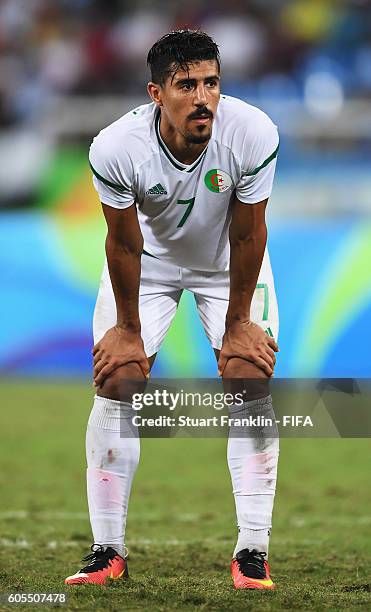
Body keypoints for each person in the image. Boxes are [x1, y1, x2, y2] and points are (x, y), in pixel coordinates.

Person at [65, 29, 280, 590]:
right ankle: (107, 549)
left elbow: (250, 232)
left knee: (249, 376)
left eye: (211, 82)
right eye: (187, 85)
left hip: (226, 264)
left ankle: (252, 551)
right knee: (118, 379)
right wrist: (128, 331)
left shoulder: (253, 132)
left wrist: (237, 325)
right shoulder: (115, 147)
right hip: (150, 266)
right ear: (157, 93)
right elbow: (122, 242)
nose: (203, 96)